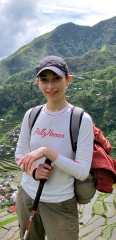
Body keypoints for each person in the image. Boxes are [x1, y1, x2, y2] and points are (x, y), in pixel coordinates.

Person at [15, 55, 94, 240]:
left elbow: (82, 171)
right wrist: (34, 171)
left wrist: (48, 153)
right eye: (44, 80)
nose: (50, 86)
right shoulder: (32, 115)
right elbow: (20, 154)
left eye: (57, 79)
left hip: (60, 203)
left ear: (68, 80)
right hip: (27, 196)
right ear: (38, 82)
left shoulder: (80, 119)